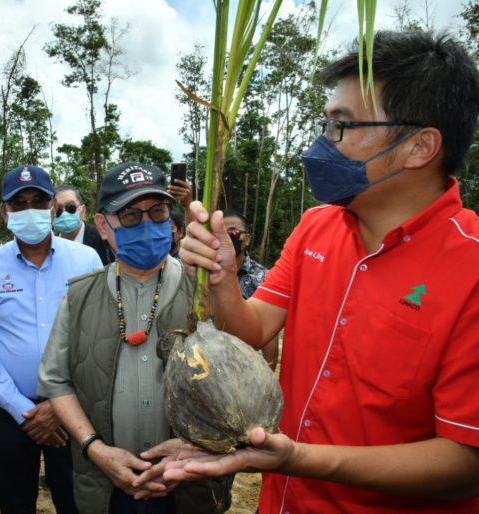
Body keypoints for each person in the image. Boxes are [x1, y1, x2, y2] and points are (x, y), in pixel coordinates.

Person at [168, 31, 479, 513]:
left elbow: (464, 463)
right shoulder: (316, 228)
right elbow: (252, 331)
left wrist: (297, 458)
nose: (322, 143)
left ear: (421, 147)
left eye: (342, 126)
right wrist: (223, 277)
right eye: (325, 123)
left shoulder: (470, 269)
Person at [38, 162, 231, 514]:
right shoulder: (80, 297)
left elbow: (236, 379)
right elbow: (57, 380)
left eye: (157, 212)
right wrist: (96, 449)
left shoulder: (204, 291)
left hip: (189, 486)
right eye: (130, 216)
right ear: (103, 225)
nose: (147, 225)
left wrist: (194, 449)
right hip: (106, 486)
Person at [0, 164, 102, 514]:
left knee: (76, 499)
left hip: (74, 407)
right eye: (19, 203)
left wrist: (58, 405)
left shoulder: (86, 260)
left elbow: (99, 337)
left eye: (38, 201)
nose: (29, 210)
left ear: (53, 206)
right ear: (3, 212)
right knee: (13, 500)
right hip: (10, 410)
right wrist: (20, 409)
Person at [222, 209, 279, 370]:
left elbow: (270, 336)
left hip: (248, 367)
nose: (226, 239)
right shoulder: (204, 273)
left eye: (232, 233)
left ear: (246, 239)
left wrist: (268, 375)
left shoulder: (263, 278)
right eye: (220, 233)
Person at [54, 184, 113, 265]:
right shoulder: (50, 246)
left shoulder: (104, 239)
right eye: (58, 209)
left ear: (83, 211)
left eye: (70, 207)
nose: (64, 213)